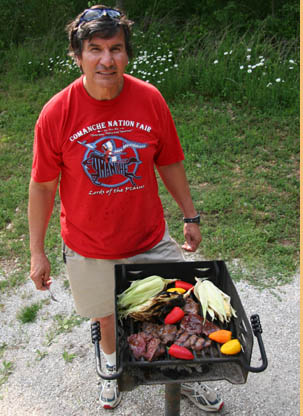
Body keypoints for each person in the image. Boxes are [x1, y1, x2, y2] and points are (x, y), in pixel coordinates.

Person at [28, 4, 223, 412]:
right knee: (107, 318)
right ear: (77, 55)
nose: (106, 59)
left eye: (115, 48)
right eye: (95, 48)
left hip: (148, 237)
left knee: (176, 305)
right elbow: (43, 186)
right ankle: (114, 368)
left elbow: (169, 160)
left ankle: (183, 375)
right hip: (90, 245)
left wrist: (189, 214)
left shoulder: (148, 99)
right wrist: (37, 251)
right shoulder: (56, 113)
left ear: (127, 53)